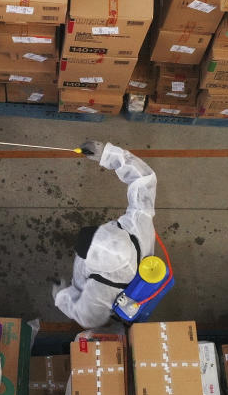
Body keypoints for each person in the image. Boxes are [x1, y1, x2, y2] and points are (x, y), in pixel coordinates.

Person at [53, 140, 160, 328]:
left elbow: (87, 317)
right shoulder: (137, 227)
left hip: (117, 298)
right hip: (139, 275)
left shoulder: (101, 289)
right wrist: (107, 155)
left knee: (80, 286)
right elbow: (143, 179)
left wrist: (62, 297)